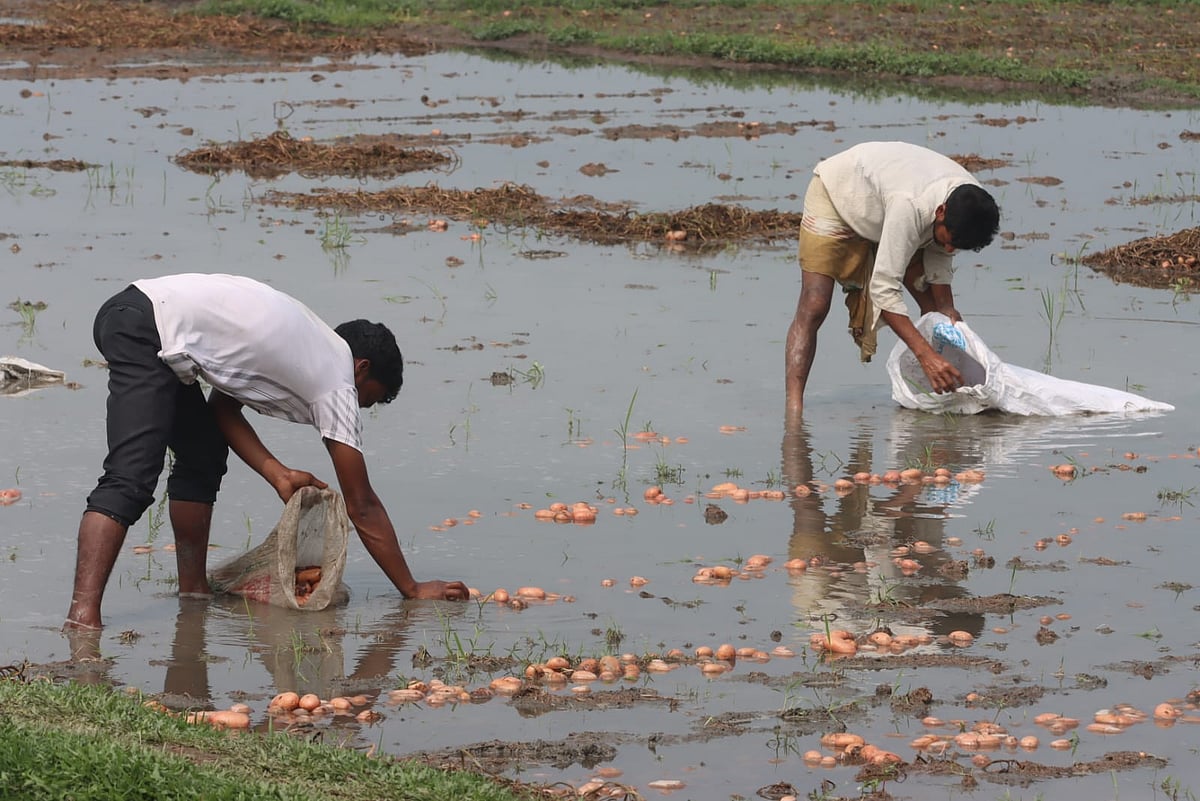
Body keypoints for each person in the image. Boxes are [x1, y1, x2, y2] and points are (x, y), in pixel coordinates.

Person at [65, 273, 469, 630]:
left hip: (140, 313)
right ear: (361, 369)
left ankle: (193, 593)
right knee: (131, 476)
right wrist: (411, 588)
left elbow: (221, 409)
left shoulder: (306, 341)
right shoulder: (337, 376)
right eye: (366, 400)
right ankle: (82, 619)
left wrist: (276, 473)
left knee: (203, 453)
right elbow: (361, 504)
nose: (356, 409)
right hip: (146, 325)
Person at [784, 141, 1000, 416]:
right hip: (839, 197)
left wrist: (946, 307)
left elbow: (941, 256)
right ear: (940, 212)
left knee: (937, 313)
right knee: (815, 304)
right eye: (949, 242)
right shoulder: (911, 205)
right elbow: (884, 289)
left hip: (893, 212)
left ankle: (941, 397)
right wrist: (925, 355)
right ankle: (794, 410)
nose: (949, 250)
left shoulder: (970, 204)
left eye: (956, 247)